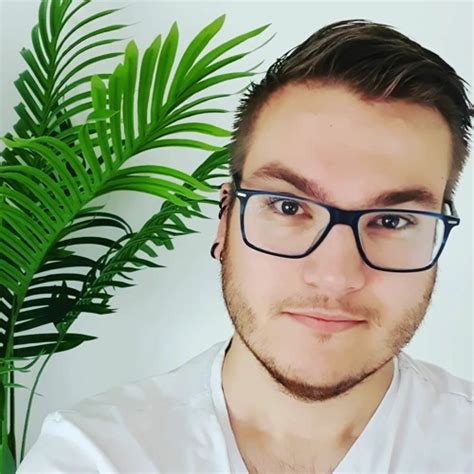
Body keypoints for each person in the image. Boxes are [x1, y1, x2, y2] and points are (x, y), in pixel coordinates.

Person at [18, 19, 472, 474]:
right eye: (289, 207)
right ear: (225, 221)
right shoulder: (94, 457)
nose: (335, 275)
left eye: (392, 221)